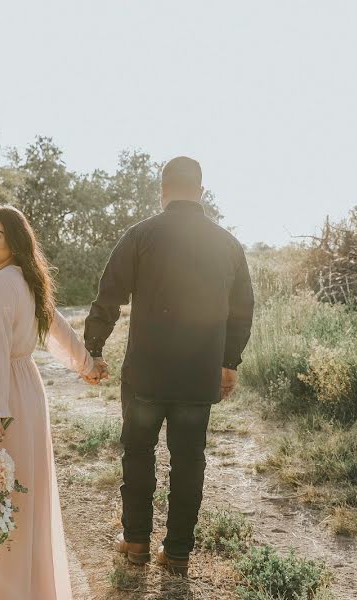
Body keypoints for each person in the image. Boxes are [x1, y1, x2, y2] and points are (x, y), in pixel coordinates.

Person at [84, 156, 254, 575]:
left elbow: (109, 295)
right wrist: (229, 362)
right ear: (200, 191)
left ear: (162, 191)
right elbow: (242, 310)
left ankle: (137, 541)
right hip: (199, 375)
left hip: (145, 374)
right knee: (189, 460)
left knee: (138, 454)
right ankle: (178, 552)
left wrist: (94, 347)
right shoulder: (227, 243)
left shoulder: (141, 235)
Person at [0, 205, 105, 600]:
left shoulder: (2, 285)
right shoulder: (21, 279)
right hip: (25, 392)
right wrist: (86, 364)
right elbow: (57, 330)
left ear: (14, 241)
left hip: (0, 395)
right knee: (15, 495)